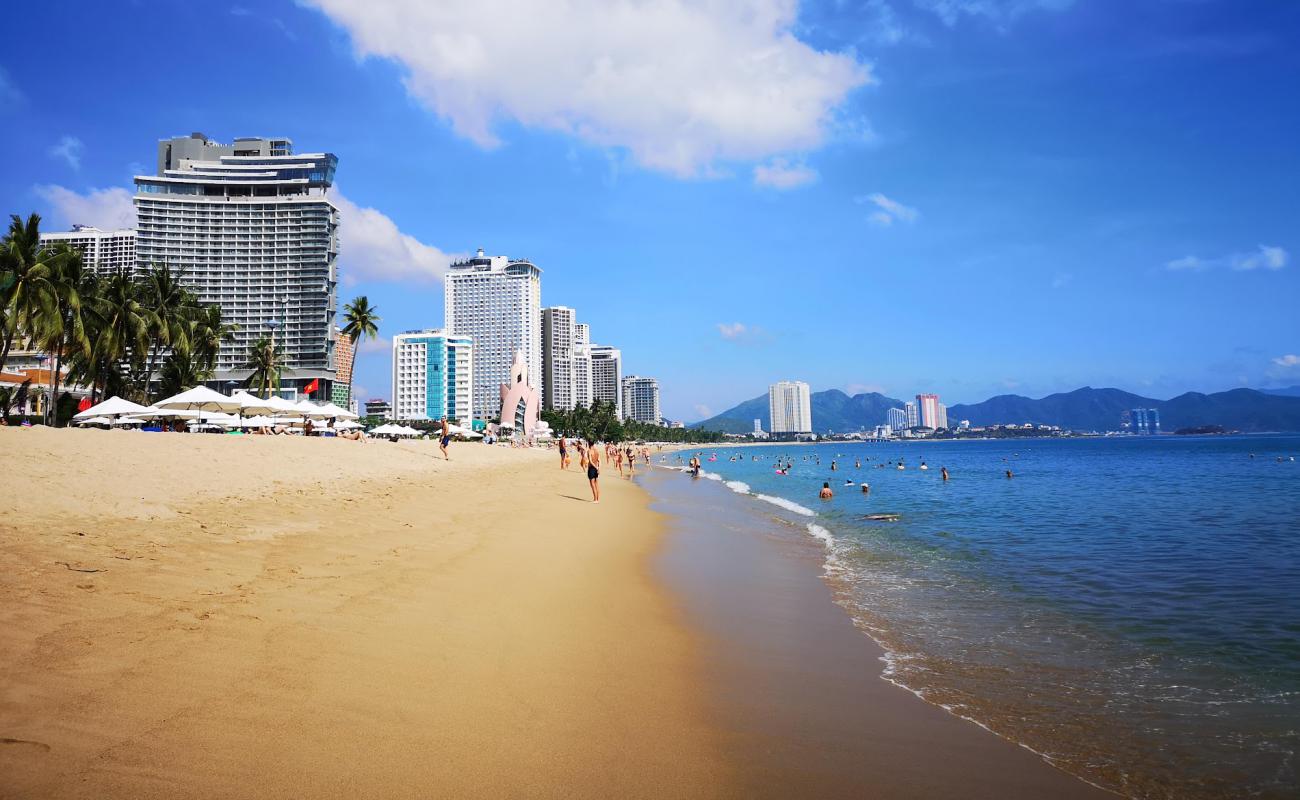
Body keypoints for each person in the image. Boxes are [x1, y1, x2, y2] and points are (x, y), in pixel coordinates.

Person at [587, 439, 601, 503]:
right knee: (596, 484)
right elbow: (599, 460)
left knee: (592, 484)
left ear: (589, 444)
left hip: (592, 469)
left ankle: (595, 500)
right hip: (596, 468)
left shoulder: (589, 451)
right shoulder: (596, 451)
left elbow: (590, 461)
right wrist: (598, 468)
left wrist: (596, 468)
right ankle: (597, 499)